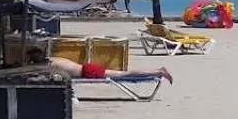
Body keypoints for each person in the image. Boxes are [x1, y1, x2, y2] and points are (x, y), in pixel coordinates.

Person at [26, 47, 173, 83]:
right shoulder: (52, 58)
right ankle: (157, 71)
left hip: (88, 72)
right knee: (124, 73)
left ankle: (158, 71)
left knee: (124, 74)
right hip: (87, 67)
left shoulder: (49, 64)